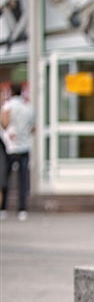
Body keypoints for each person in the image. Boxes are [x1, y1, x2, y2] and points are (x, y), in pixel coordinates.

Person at [0, 83, 34, 221]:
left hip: (10, 147)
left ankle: (3, 208)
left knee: (5, 177)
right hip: (25, 147)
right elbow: (34, 128)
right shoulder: (28, 107)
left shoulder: (8, 106)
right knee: (23, 179)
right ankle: (22, 209)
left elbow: (4, 123)